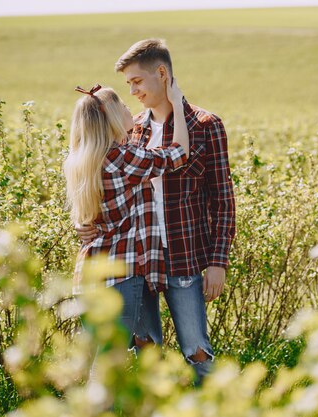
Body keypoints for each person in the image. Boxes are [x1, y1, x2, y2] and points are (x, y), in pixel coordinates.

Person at [75, 39, 236, 386]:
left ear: (162, 74)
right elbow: (98, 182)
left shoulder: (206, 126)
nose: (131, 90)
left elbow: (222, 199)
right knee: (145, 350)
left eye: (136, 81)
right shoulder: (131, 128)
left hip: (185, 258)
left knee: (196, 349)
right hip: (138, 263)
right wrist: (84, 224)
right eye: (127, 84)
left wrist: (218, 261)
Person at [64, 80, 190, 350]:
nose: (128, 106)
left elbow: (87, 216)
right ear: (112, 117)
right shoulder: (123, 157)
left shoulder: (81, 159)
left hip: (89, 273)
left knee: (103, 354)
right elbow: (178, 154)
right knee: (112, 360)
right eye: (122, 104)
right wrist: (178, 106)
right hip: (122, 272)